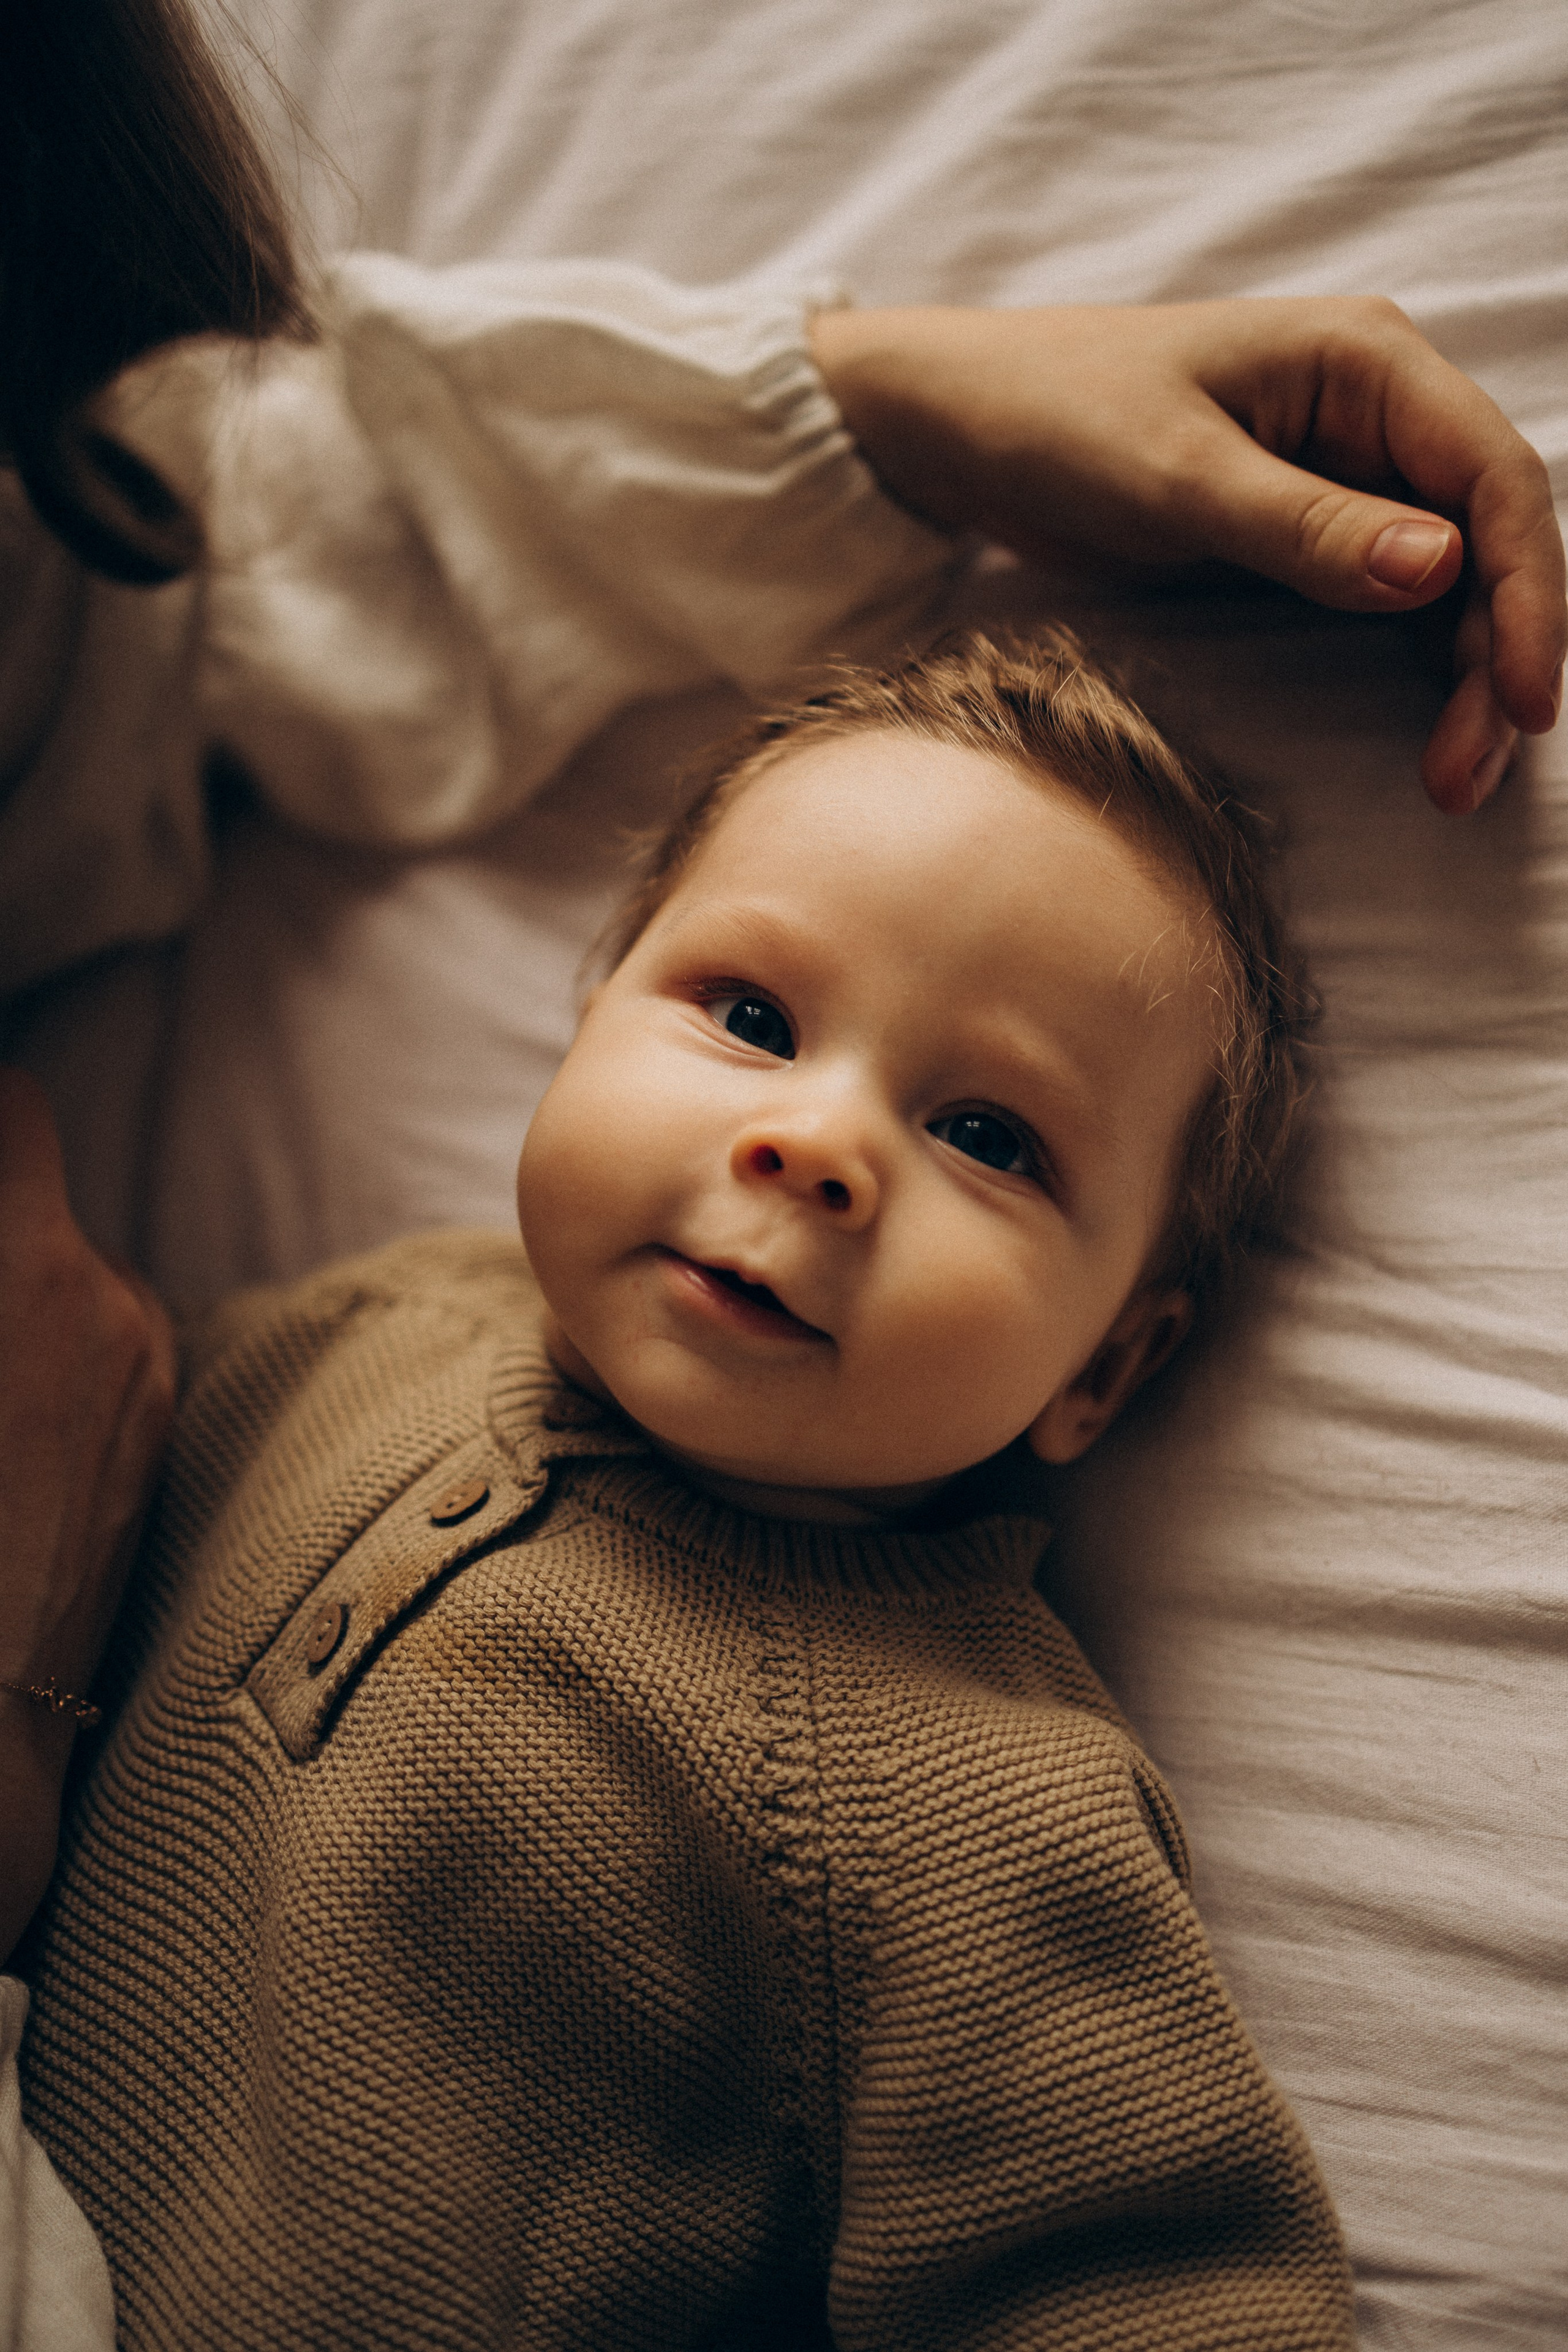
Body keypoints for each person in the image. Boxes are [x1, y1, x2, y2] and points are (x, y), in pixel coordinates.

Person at [23, 629, 1355, 2349]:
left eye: (990, 1136)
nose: (815, 1143)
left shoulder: (967, 1795)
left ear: (1104, 1367)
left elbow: (1160, 2297)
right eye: (750, 1018)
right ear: (585, 1028)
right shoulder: (350, 1329)